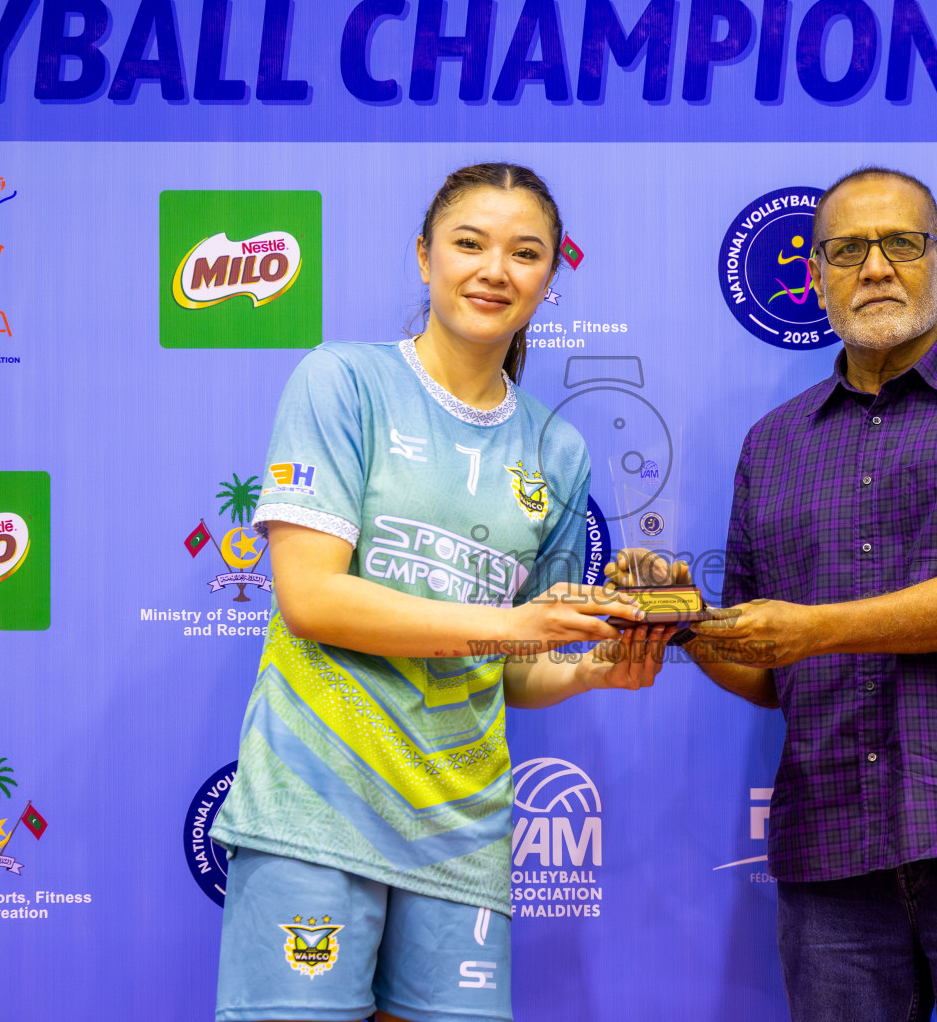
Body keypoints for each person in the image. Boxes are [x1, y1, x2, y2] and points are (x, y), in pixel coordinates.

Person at [209, 163, 674, 1022]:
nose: (494, 269)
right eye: (469, 243)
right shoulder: (342, 382)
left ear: (548, 277)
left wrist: (588, 670)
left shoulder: (559, 450)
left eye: (524, 252)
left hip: (462, 833)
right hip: (318, 806)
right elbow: (311, 599)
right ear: (424, 257)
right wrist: (514, 624)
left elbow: (517, 663)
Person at [680, 167, 937, 1021]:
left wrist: (812, 631)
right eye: (847, 250)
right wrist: (689, 627)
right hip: (828, 844)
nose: (875, 267)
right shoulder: (773, 444)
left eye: (900, 244)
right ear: (815, 278)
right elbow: (767, 667)